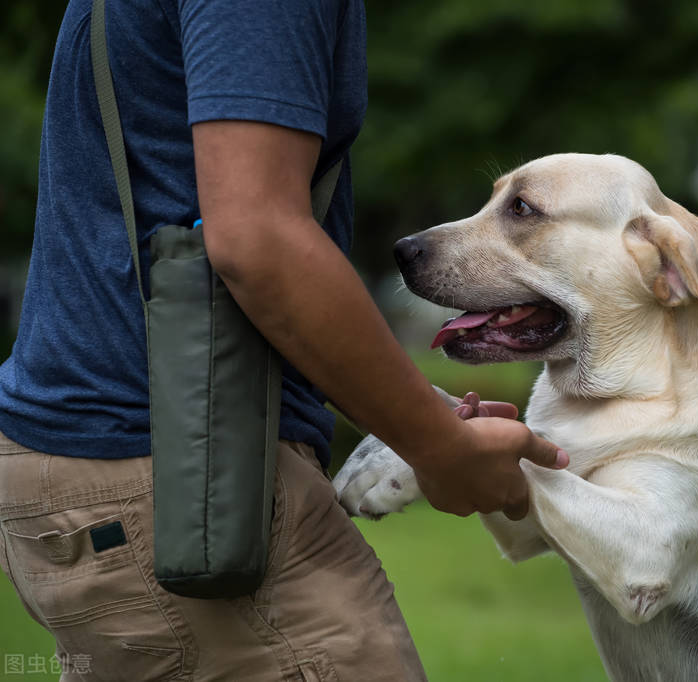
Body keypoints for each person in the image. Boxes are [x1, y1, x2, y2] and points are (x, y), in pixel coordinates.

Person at [0, 0, 565, 680]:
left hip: (97, 466)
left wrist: (414, 410)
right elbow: (256, 239)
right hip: (181, 477)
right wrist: (440, 451)